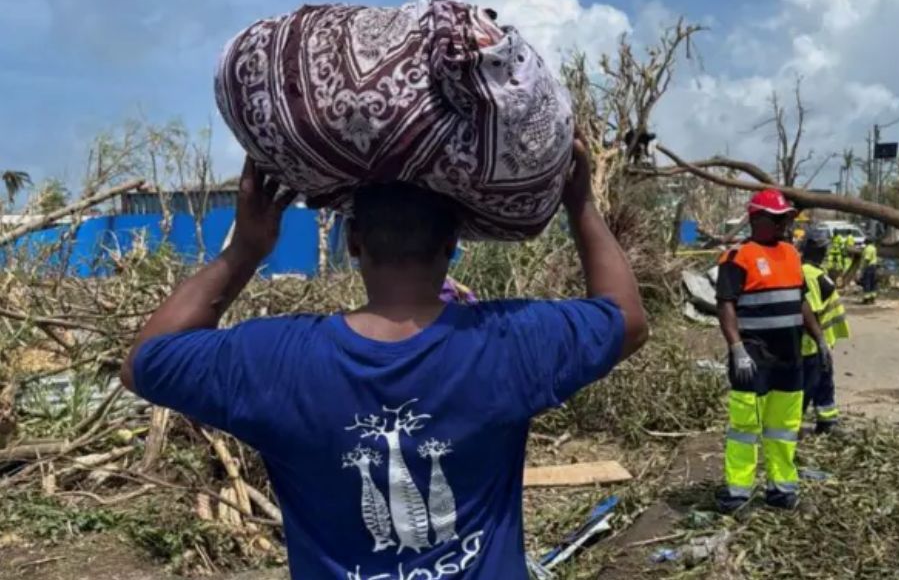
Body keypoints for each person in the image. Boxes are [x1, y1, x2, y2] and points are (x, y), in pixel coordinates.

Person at [119, 141, 648, 579]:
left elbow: (146, 360)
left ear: (353, 242)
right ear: (452, 245)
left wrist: (246, 250)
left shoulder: (274, 359)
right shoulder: (507, 341)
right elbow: (625, 319)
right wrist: (581, 205)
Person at [714, 189, 829, 513]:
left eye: (787, 219)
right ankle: (738, 492)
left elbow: (801, 301)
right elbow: (725, 305)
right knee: (745, 428)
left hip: (789, 358)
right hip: (753, 357)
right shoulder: (738, 257)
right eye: (777, 219)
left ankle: (781, 489)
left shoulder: (791, 254)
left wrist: (818, 338)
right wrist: (736, 348)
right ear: (757, 219)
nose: (784, 225)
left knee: (783, 428)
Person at [799, 238, 851, 435]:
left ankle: (826, 422)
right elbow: (810, 311)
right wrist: (819, 340)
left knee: (824, 383)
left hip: (820, 343)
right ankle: (791, 427)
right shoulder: (809, 275)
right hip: (809, 345)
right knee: (806, 386)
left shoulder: (816, 273)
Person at [860, 238, 879, 304]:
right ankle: (872, 298)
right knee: (873, 282)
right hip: (874, 266)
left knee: (867, 282)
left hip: (868, 267)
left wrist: (863, 268)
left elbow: (867, 259)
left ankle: (866, 298)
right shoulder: (874, 248)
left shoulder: (867, 249)